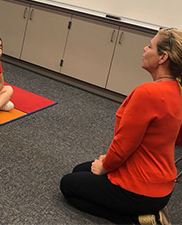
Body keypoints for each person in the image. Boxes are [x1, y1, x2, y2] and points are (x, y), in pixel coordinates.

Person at [60, 27, 182, 225]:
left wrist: (105, 166)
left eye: (150, 46)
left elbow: (124, 144)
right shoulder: (176, 89)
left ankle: (138, 219)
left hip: (140, 190)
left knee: (68, 186)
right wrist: (106, 161)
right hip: (161, 186)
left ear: (162, 57)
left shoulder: (148, 93)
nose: (144, 49)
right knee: (79, 170)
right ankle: (143, 211)